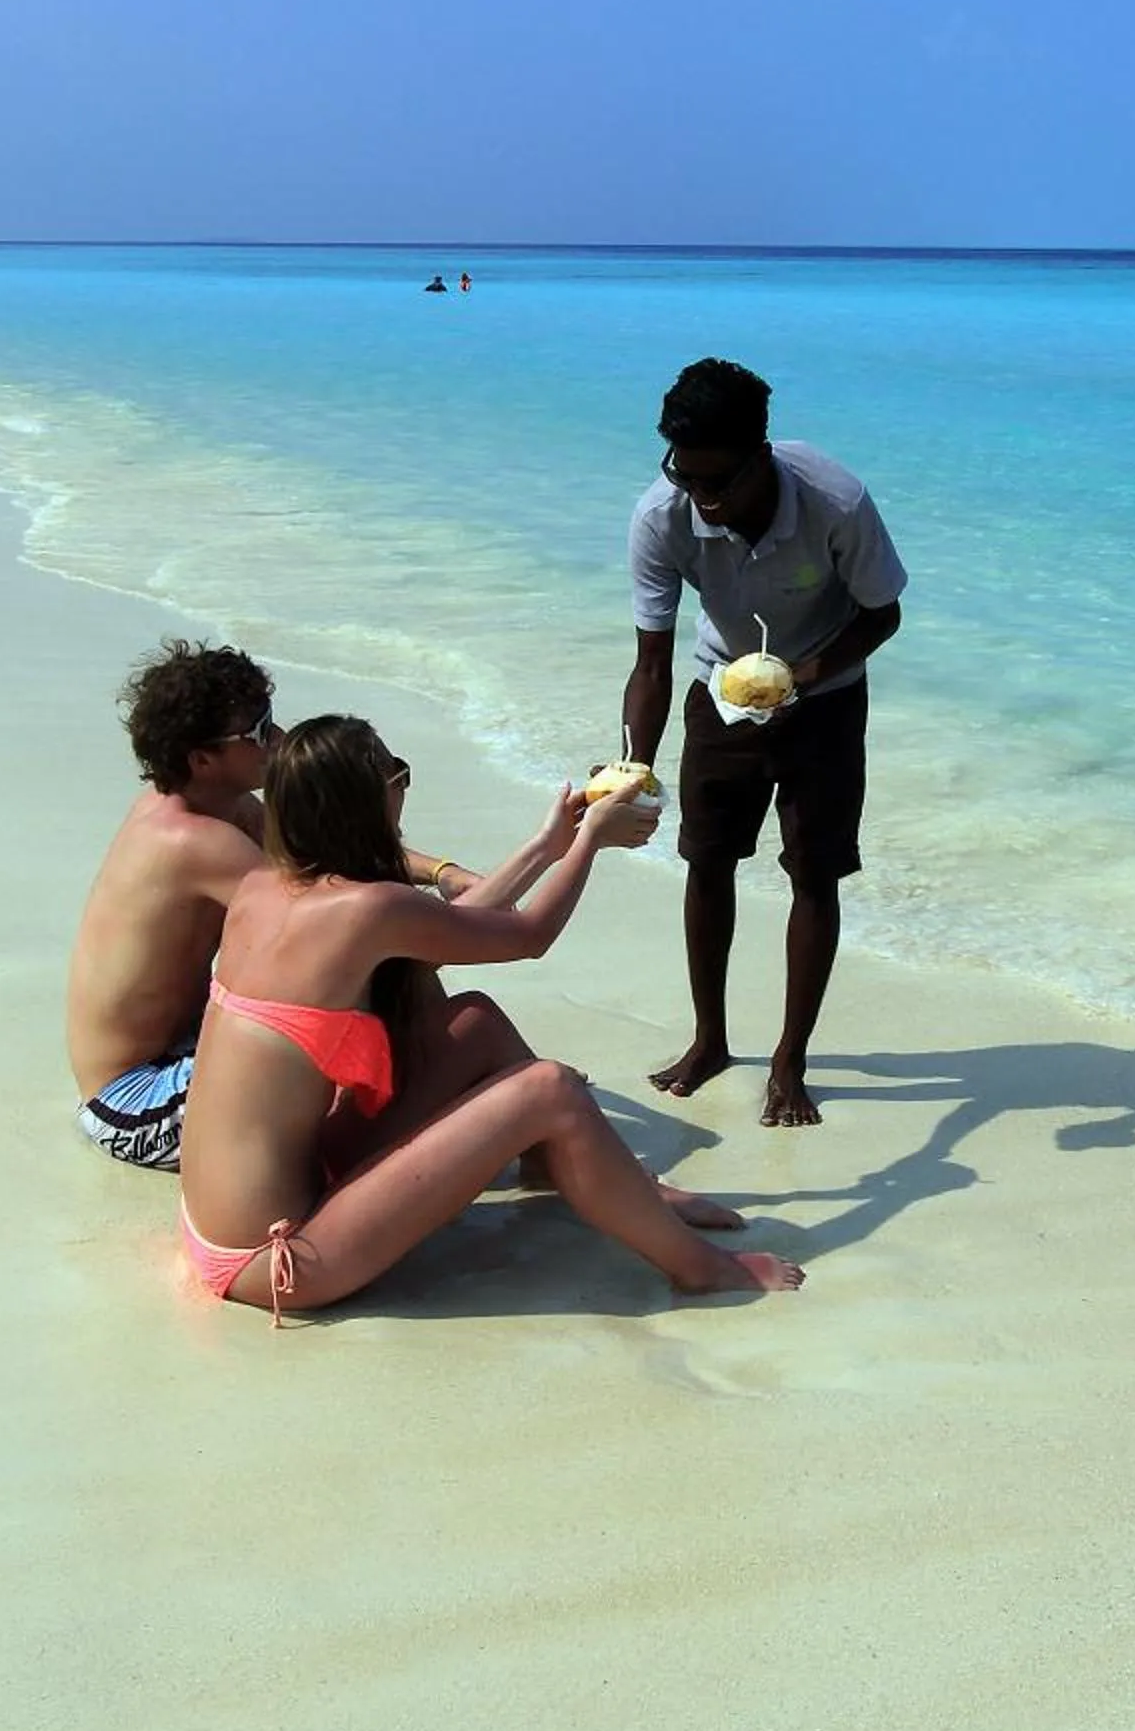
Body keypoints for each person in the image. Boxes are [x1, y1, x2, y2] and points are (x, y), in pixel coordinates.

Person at [176, 716, 801, 1320]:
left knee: (475, 1020)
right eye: (396, 775)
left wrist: (544, 846)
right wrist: (589, 844)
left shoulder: (268, 886)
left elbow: (456, 927)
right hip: (280, 1258)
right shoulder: (367, 909)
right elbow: (527, 935)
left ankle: (564, 1170)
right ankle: (698, 1268)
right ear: (364, 803)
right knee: (550, 1088)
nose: (402, 786)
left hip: (240, 1209)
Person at [68, 640, 497, 1169]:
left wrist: (442, 872)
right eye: (257, 731)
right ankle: (404, 1119)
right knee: (375, 966)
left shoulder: (217, 805)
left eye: (270, 718)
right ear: (202, 758)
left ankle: (430, 1082)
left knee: (377, 973)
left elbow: (320, 854)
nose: (277, 736)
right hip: (137, 1101)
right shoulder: (193, 841)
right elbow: (336, 920)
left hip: (184, 1052)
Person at [620, 358, 907, 1127]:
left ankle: (790, 1057)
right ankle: (710, 1039)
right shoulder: (662, 516)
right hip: (720, 695)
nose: (703, 500)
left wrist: (802, 679)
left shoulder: (835, 501)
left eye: (719, 482)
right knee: (706, 862)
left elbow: (883, 614)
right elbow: (651, 660)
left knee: (815, 874)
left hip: (827, 699)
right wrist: (633, 767)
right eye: (687, 478)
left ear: (762, 453)